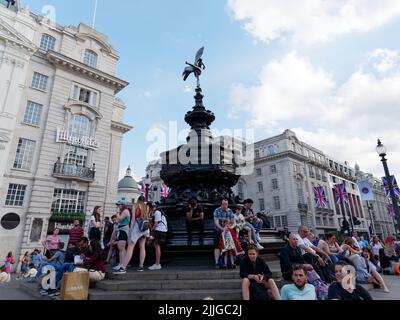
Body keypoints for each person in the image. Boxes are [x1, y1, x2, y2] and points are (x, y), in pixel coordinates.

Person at [114, 196, 149, 274]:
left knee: (130, 247)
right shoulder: (147, 207)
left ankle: (123, 267)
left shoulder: (135, 206)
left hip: (137, 227)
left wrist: (130, 229)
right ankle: (141, 266)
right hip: (145, 228)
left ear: (138, 200)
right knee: (142, 247)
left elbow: (133, 218)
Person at [213, 199, 235, 268]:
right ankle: (216, 262)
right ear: (221, 204)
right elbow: (216, 222)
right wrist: (222, 229)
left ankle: (231, 262)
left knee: (231, 246)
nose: (225, 206)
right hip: (218, 230)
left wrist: (230, 228)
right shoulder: (217, 210)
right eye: (223, 204)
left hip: (227, 230)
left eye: (226, 204)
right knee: (217, 245)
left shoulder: (230, 211)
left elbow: (234, 222)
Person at [112, 199, 131, 272]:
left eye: (119, 205)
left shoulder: (126, 211)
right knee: (120, 248)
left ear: (122, 205)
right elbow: (117, 221)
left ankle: (123, 264)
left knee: (122, 248)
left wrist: (117, 212)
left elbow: (119, 219)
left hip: (124, 230)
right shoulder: (122, 211)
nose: (118, 206)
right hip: (121, 229)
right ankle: (121, 263)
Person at [148, 202, 168, 271]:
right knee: (155, 245)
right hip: (159, 230)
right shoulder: (153, 213)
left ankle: (157, 264)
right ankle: (157, 263)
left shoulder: (157, 212)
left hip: (160, 230)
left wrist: (151, 231)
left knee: (157, 245)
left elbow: (156, 224)